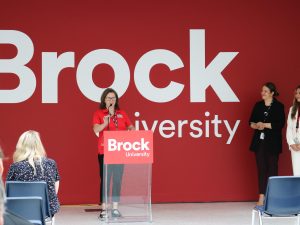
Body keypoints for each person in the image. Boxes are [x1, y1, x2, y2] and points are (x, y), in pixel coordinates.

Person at [93, 88, 135, 218]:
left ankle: (115, 208)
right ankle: (104, 210)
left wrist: (131, 131)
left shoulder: (122, 113)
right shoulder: (99, 113)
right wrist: (106, 121)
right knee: (105, 180)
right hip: (104, 151)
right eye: (108, 98)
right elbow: (96, 129)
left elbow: (131, 127)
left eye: (113, 98)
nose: (111, 100)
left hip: (119, 151)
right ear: (104, 100)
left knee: (117, 179)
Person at [6, 131, 60, 218]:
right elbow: (54, 192)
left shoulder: (15, 167)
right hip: (46, 212)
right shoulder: (51, 163)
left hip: (20, 212)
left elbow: (9, 192)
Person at [249, 82, 285, 206]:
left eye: (265, 91)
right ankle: (261, 197)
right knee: (261, 169)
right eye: (262, 91)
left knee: (272, 169)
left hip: (273, 142)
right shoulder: (258, 105)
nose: (262, 93)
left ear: (272, 93)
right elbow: (251, 122)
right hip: (259, 141)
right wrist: (256, 125)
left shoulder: (279, 106)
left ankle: (273, 197)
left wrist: (264, 125)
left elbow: (279, 124)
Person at [286, 85, 300, 175]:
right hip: (295, 146)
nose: (297, 95)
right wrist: (291, 143)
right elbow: (289, 128)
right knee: (297, 172)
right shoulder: (292, 109)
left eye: (299, 93)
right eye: (296, 93)